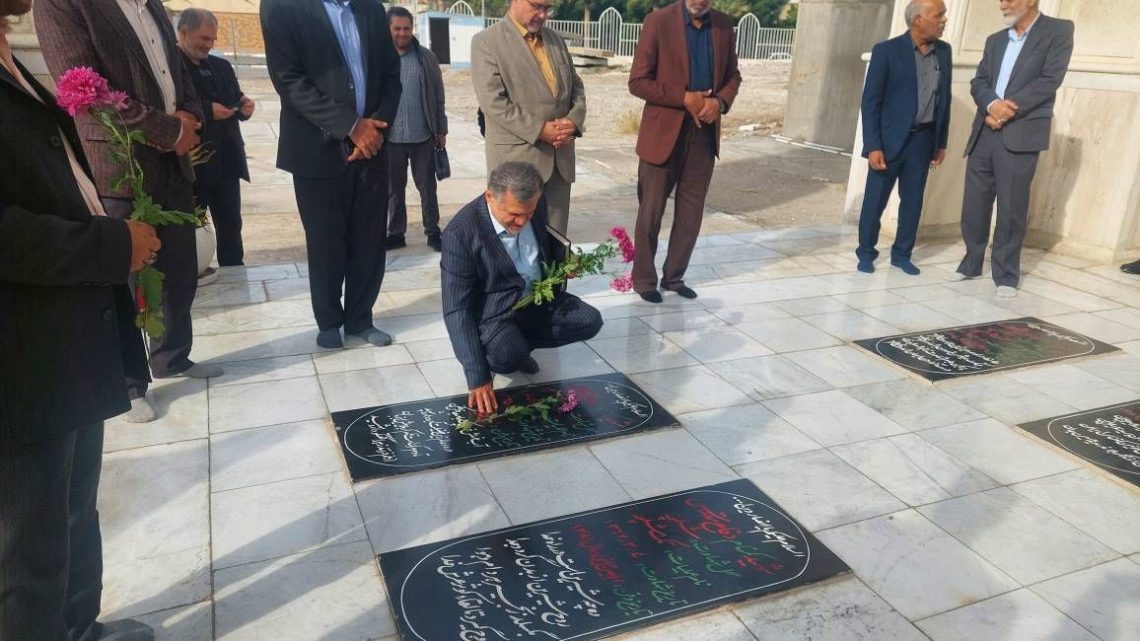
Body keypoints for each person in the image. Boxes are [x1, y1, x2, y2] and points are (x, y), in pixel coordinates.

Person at [1, 2, 163, 638]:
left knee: (71, 513)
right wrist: (111, 246)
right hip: (22, 361)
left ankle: (78, 628)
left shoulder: (12, 60)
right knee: (26, 556)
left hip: (64, 343)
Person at [37, 0, 221, 424]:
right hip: (119, 167)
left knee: (177, 266)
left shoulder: (153, 6)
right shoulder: (63, 5)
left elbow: (176, 71)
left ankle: (172, 357)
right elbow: (82, 88)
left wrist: (189, 116)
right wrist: (167, 129)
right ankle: (128, 383)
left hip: (174, 165)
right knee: (123, 277)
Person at [261, 0, 402, 348]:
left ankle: (360, 319)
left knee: (369, 240)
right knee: (325, 241)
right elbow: (289, 80)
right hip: (316, 148)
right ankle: (328, 320)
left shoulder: (370, 8)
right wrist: (351, 126)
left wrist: (375, 130)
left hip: (372, 147)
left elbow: (390, 75)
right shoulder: (282, 7)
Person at [441, 162, 603, 415]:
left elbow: (544, 246)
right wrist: (476, 375)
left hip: (537, 299)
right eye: (514, 214)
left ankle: (520, 345)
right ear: (490, 197)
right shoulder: (460, 234)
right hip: (496, 313)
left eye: (529, 213)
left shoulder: (532, 206)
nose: (522, 221)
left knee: (589, 321)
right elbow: (456, 309)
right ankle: (500, 350)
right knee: (506, 356)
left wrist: (564, 263)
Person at [954, 0, 1074, 298]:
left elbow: (1050, 79)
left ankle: (1006, 275)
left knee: (1011, 207)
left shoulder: (1058, 31)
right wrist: (991, 105)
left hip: (1020, 133)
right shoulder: (995, 40)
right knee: (974, 203)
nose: (1002, 4)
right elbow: (979, 80)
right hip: (985, 129)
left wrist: (1007, 110)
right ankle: (971, 262)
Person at [628, 0, 741, 303]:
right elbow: (638, 81)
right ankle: (643, 279)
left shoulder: (723, 24)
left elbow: (734, 76)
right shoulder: (658, 22)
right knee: (650, 212)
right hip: (663, 134)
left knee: (691, 214)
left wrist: (719, 103)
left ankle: (674, 277)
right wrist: (684, 98)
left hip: (703, 136)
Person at [471, 0, 586, 235]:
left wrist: (573, 121)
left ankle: (552, 274)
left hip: (559, 162)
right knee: (515, 241)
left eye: (547, 8)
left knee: (555, 242)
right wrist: (540, 130)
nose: (543, 15)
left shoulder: (555, 40)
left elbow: (576, 87)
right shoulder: (487, 42)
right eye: (536, 6)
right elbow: (494, 102)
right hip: (516, 161)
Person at [855, 0, 951, 276]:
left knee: (913, 201)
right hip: (888, 142)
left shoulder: (943, 52)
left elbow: (943, 101)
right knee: (875, 200)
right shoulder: (886, 51)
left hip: (923, 141)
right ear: (918, 20)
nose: (944, 19)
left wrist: (940, 142)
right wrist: (873, 145)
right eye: (939, 14)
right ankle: (865, 253)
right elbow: (870, 102)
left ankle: (902, 254)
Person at [177, 7, 254, 267]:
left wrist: (244, 108)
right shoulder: (171, 66)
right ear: (183, 32)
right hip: (193, 163)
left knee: (231, 224)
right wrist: (207, 112)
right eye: (203, 39)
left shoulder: (221, 66)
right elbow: (171, 106)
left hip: (227, 161)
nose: (209, 45)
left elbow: (235, 97)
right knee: (191, 227)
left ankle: (234, 273)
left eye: (212, 39)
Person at [384, 5, 447, 253]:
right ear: (388, 29)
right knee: (393, 190)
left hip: (423, 136)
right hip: (390, 139)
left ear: (412, 29)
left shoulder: (426, 58)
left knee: (427, 188)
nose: (402, 33)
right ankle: (396, 233)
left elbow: (438, 96)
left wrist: (441, 130)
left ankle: (433, 231)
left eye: (406, 28)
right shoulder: (380, 58)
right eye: (397, 28)